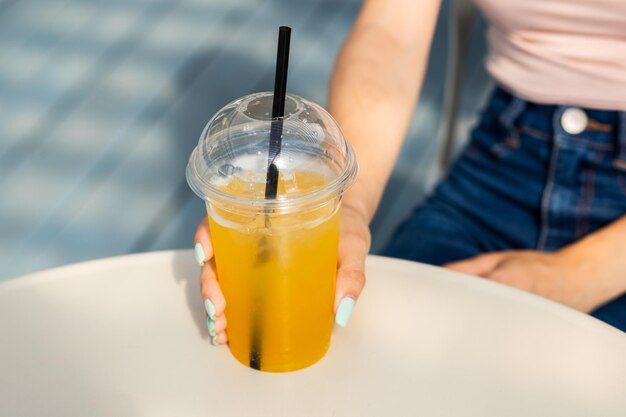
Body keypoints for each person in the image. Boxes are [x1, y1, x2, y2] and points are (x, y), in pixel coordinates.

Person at [194, 0, 626, 345]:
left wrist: (577, 275)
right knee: (376, 358)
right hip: (502, 162)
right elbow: (392, 35)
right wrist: (348, 209)